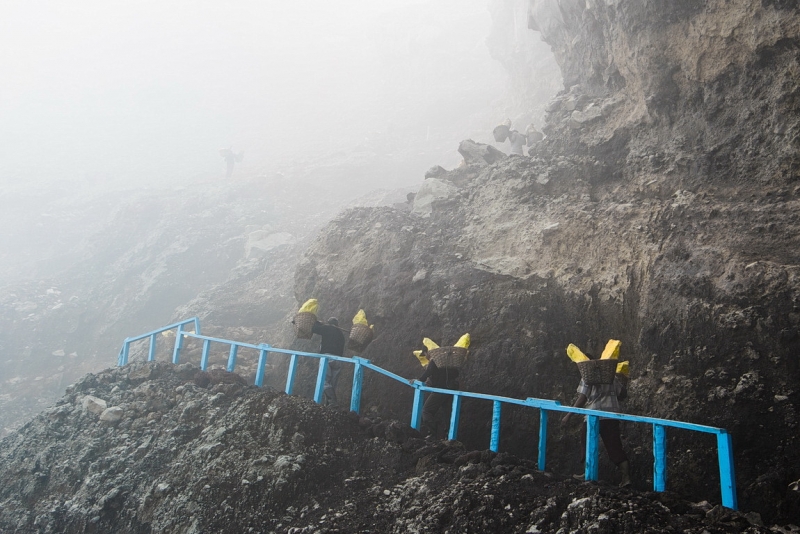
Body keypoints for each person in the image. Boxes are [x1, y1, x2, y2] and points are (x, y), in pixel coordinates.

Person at [561, 356, 631, 487]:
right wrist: (625, 380)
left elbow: (582, 398)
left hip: (593, 416)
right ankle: (626, 478)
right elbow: (622, 395)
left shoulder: (587, 378)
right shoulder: (611, 377)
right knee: (615, 446)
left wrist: (568, 415)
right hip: (611, 416)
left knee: (586, 442)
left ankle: (588, 474)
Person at [408, 348, 460, 437]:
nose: (426, 357)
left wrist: (419, 380)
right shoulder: (446, 363)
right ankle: (448, 435)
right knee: (446, 413)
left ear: (428, 352)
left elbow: (429, 371)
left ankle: (436, 434)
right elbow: (456, 374)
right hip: (450, 391)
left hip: (439, 390)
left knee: (426, 411)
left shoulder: (434, 361)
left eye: (425, 354)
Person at [311, 317, 346, 407]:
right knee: (332, 384)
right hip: (338, 360)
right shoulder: (341, 334)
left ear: (329, 323)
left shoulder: (327, 328)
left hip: (327, 358)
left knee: (324, 381)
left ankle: (332, 402)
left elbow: (314, 329)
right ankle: (329, 405)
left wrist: (317, 323)